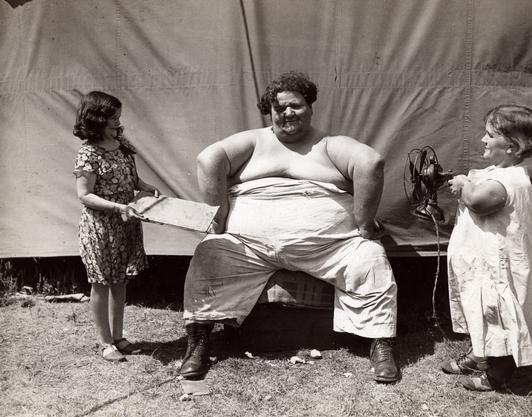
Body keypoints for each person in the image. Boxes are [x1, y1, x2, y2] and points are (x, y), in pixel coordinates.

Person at [181, 71, 399, 382]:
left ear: (310, 107)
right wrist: (219, 219)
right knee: (208, 254)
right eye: (279, 108)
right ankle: (199, 341)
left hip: (329, 247)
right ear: (269, 111)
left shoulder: (327, 145)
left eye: (295, 106)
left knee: (370, 259)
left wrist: (364, 225)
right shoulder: (254, 142)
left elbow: (370, 162)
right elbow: (209, 159)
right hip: (249, 245)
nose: (287, 113)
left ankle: (381, 345)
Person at [443, 105, 532, 391]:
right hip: (485, 260)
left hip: (499, 266)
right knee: (481, 308)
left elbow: (477, 201)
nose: (482, 140)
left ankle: (498, 374)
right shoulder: (498, 172)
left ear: (512, 147)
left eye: (490, 135)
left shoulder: (507, 181)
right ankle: (480, 353)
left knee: (498, 312)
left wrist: (463, 184)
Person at [73, 91, 160, 361]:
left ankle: (119, 337)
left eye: (118, 118)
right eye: (112, 118)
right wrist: (117, 207)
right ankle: (105, 342)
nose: (117, 123)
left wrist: (144, 186)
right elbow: (84, 194)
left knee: (120, 281)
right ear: (96, 119)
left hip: (125, 223)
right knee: (101, 282)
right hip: (100, 229)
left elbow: (131, 177)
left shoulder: (121, 143)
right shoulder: (87, 153)